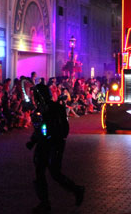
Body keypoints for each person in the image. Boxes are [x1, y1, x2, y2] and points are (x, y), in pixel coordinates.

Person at [26, 83, 84, 213]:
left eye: (36, 95)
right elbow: (40, 128)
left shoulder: (55, 108)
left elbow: (59, 127)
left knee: (55, 172)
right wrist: (33, 140)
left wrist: (53, 138)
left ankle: (76, 190)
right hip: (44, 144)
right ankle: (44, 202)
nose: (35, 98)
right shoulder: (40, 109)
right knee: (39, 171)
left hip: (54, 143)